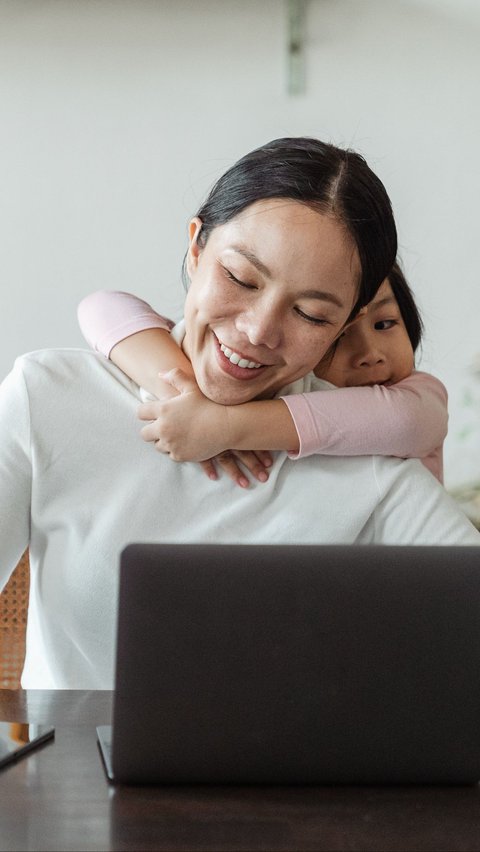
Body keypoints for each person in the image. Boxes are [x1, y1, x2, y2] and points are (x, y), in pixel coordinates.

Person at [1, 137, 478, 691]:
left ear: (349, 319)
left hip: (295, 775)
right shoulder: (49, 399)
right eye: (241, 279)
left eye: (310, 313)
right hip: (72, 775)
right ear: (196, 248)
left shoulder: (366, 459)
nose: (258, 331)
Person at [78, 262, 447, 484]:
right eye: (339, 337)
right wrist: (184, 393)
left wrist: (224, 426)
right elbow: (102, 307)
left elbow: (405, 422)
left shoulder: (419, 396)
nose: (370, 354)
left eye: (386, 324)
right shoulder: (276, 385)